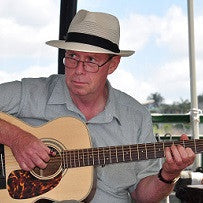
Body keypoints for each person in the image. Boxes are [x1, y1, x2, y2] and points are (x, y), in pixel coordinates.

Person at [0, 9, 195, 203]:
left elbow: (144, 197)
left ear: (113, 65)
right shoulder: (32, 92)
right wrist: (17, 138)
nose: (78, 70)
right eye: (72, 57)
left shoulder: (136, 117)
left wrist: (168, 174)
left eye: (91, 61)